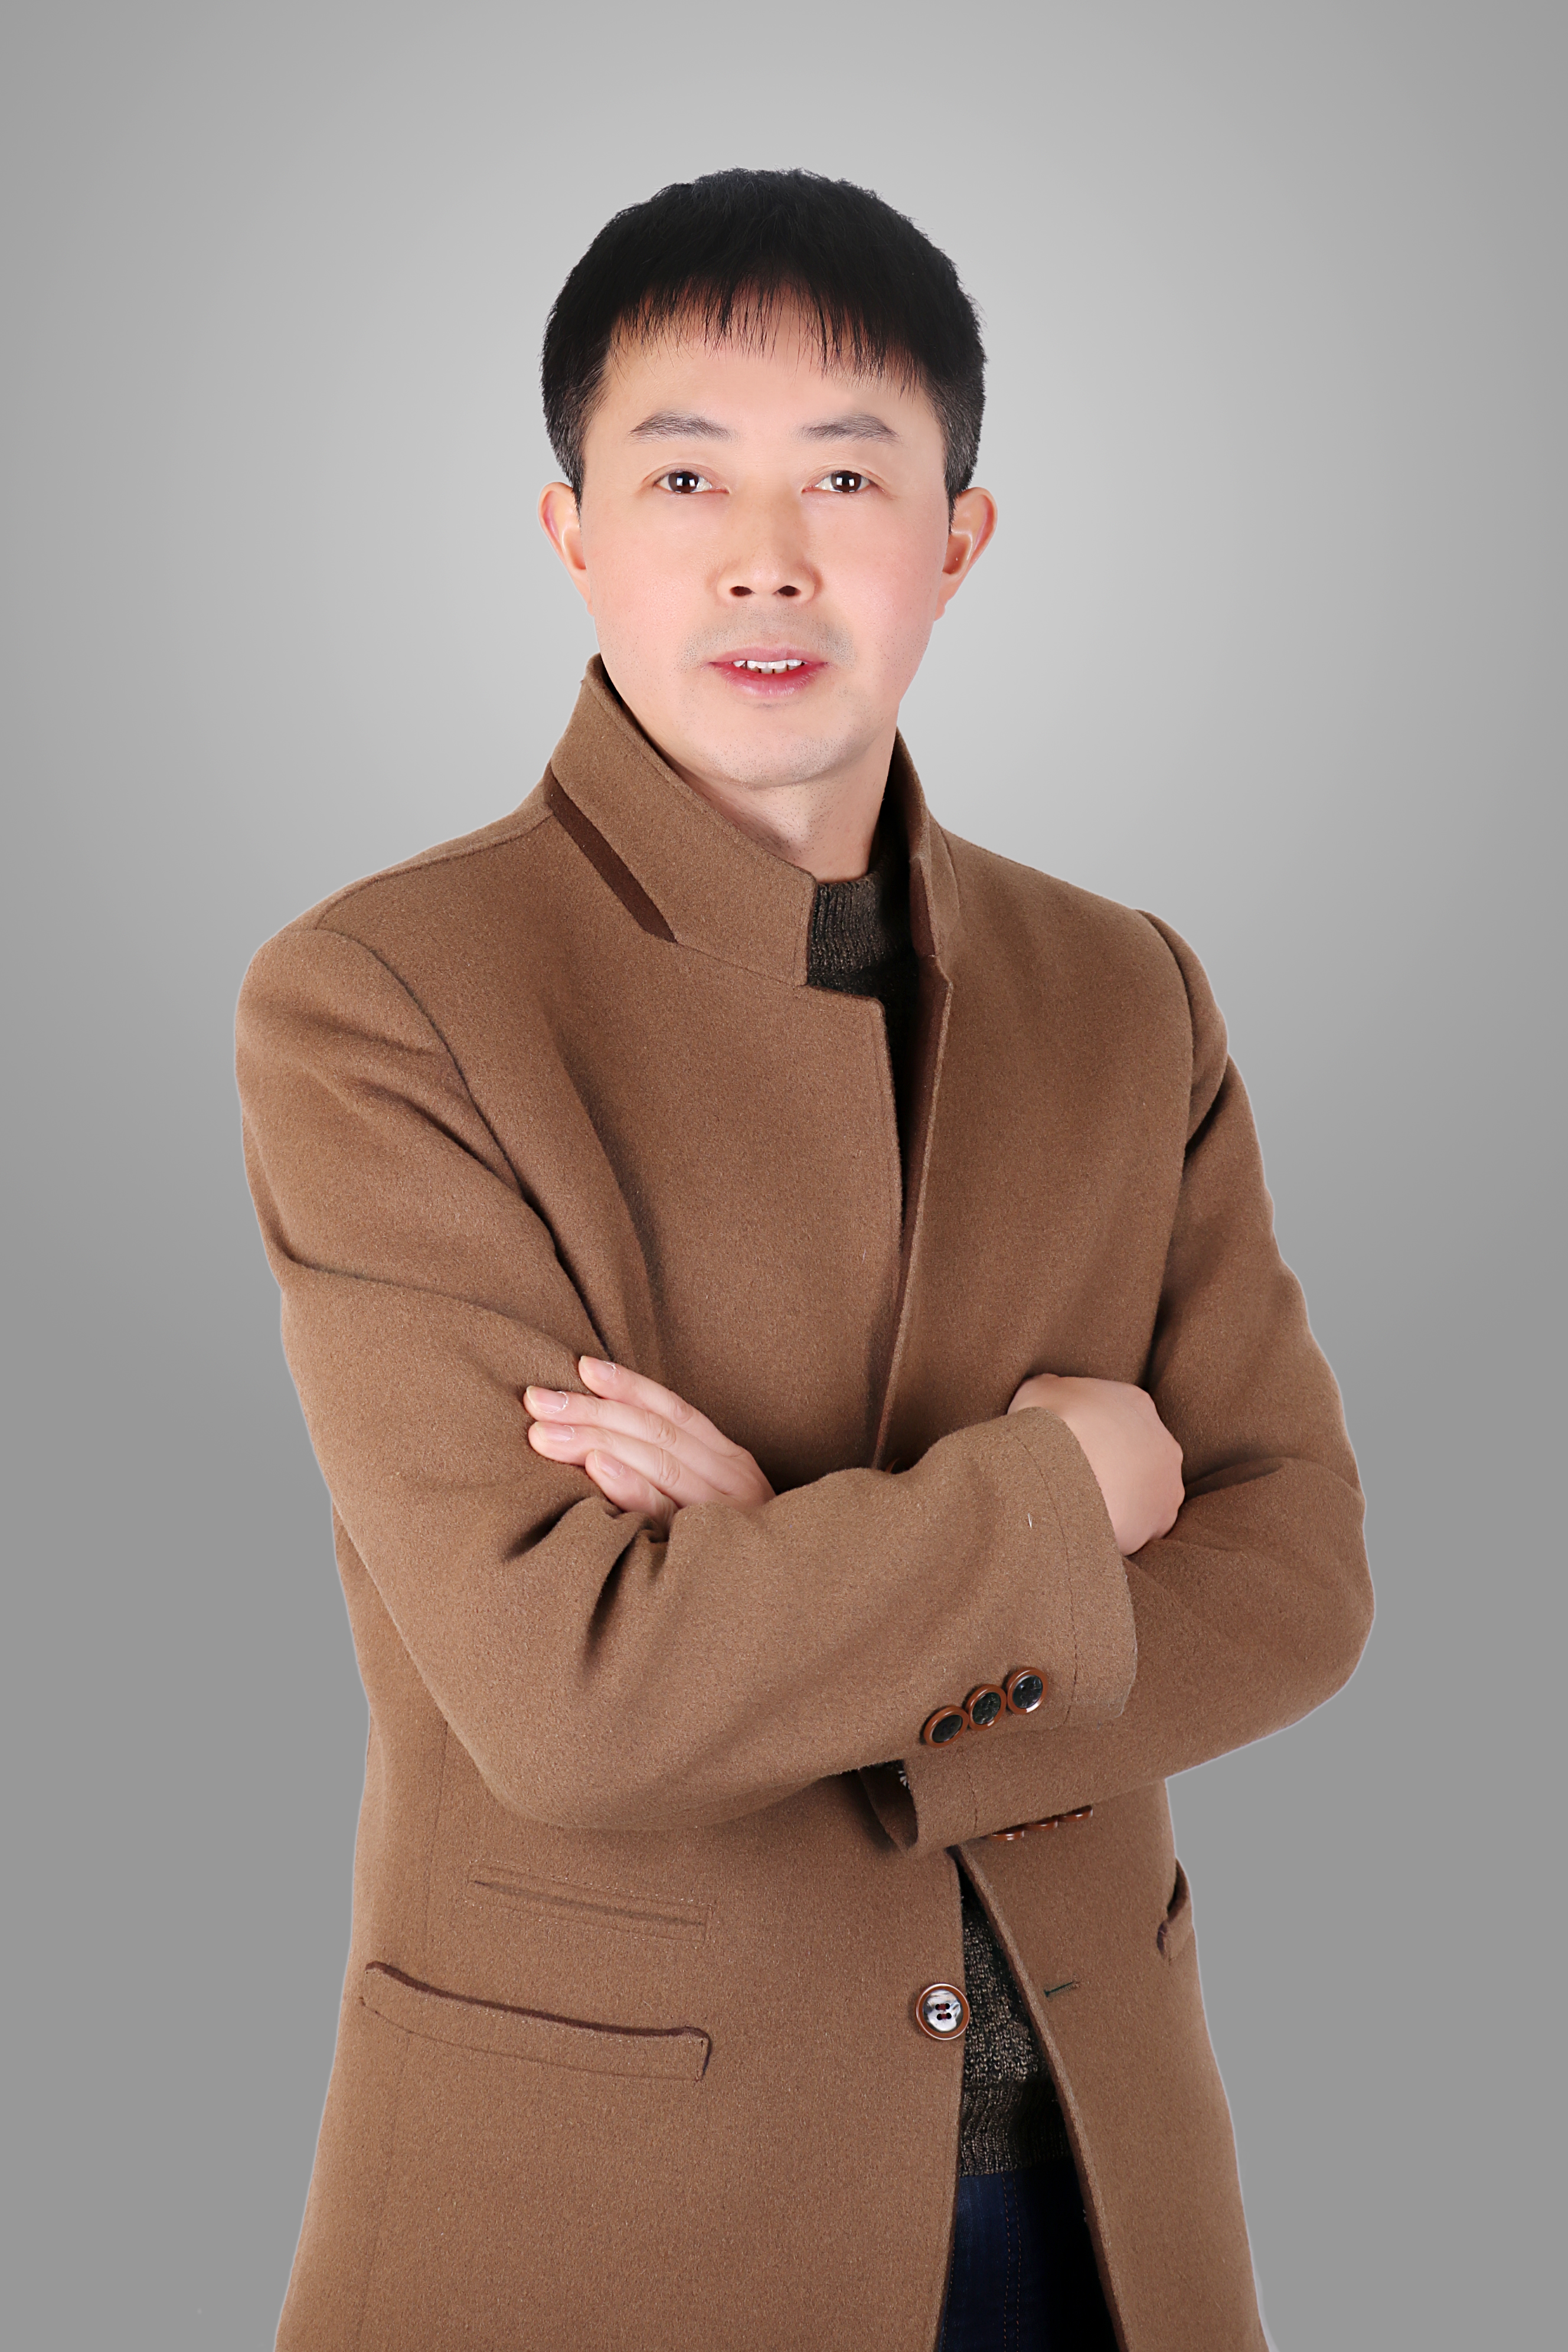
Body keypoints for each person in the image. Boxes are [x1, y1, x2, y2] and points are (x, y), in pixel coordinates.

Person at [237, 168, 1372, 2352]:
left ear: (959, 540)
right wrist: (1057, 1506)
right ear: (571, 531)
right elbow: (576, 1699)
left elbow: (1303, 1578)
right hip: (610, 2205)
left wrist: (774, 1593)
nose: (769, 553)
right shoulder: (384, 997)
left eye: (849, 476)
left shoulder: (1125, 990)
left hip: (1097, 2203)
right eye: (686, 475)